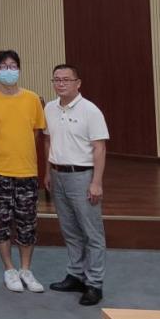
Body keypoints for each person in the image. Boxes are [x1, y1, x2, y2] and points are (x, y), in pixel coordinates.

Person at [0, 49, 48, 293]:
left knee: (27, 222)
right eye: (3, 66)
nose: (9, 70)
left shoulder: (32, 99)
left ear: (19, 68)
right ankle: (9, 269)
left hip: (26, 171)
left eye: (13, 66)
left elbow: (36, 132)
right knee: (0, 222)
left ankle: (26, 269)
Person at [44, 64, 109, 306]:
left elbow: (99, 148)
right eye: (56, 79)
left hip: (82, 176)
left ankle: (94, 283)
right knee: (70, 230)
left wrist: (96, 182)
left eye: (66, 79)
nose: (61, 83)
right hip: (57, 175)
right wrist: (48, 172)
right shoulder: (49, 108)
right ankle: (76, 274)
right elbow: (48, 141)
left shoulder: (90, 110)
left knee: (92, 232)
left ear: (78, 83)